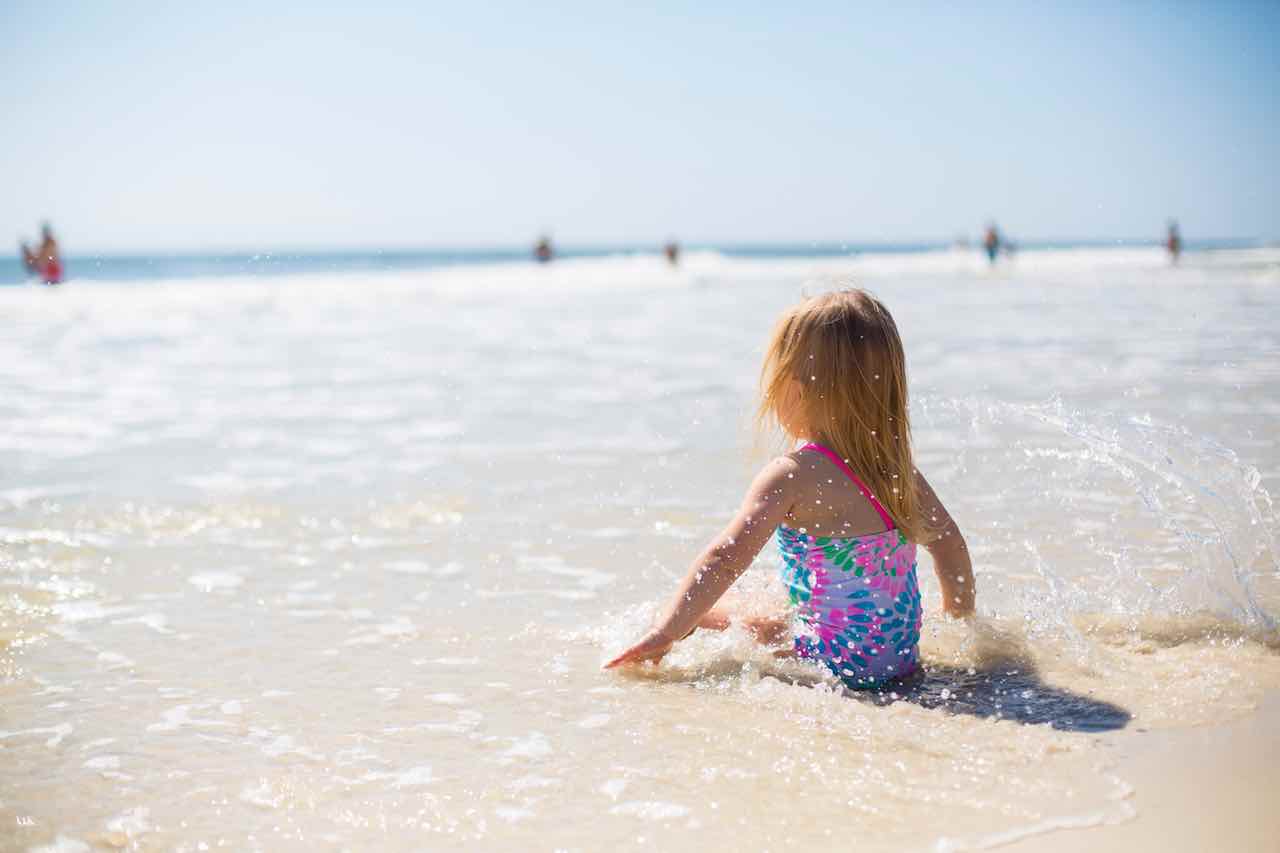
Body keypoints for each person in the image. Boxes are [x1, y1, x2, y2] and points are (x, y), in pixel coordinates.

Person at [605, 289, 975, 689]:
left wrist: (666, 631)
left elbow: (724, 559)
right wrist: (961, 624)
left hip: (830, 665)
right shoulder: (899, 472)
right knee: (770, 591)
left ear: (795, 390)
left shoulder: (792, 475)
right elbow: (949, 545)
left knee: (698, 613)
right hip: (898, 664)